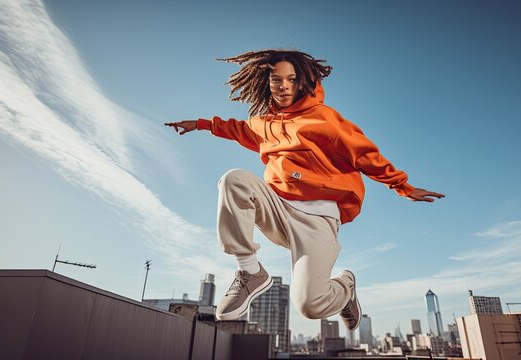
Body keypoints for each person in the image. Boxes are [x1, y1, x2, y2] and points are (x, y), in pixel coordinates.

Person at [165, 50, 444, 330]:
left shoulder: (325, 120)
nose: (283, 86)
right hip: (277, 207)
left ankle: (345, 286)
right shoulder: (263, 123)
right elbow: (236, 129)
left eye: (291, 79)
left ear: (302, 83)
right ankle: (250, 272)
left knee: (311, 306)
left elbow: (365, 155)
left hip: (317, 219)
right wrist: (200, 124)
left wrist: (403, 186)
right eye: (276, 79)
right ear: (267, 82)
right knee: (234, 180)